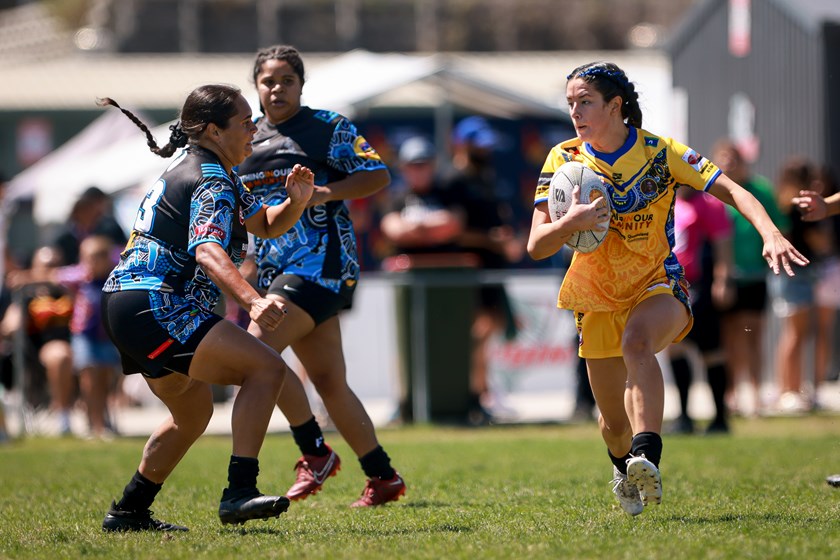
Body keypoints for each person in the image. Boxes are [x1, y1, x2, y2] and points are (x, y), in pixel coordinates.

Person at [526, 61, 807, 517]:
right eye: (571, 104)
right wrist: (570, 223)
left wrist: (771, 233)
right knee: (611, 424)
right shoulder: (564, 159)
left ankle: (647, 457)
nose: (575, 112)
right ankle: (625, 466)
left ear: (616, 106)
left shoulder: (662, 151)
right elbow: (536, 244)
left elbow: (734, 191)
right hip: (594, 293)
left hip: (657, 282)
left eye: (585, 102)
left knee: (637, 342)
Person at [96, 84, 316, 531]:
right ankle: (239, 493)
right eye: (245, 122)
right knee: (266, 369)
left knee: (192, 413)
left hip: (126, 302)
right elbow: (208, 251)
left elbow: (264, 224)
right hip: (157, 302)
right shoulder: (212, 178)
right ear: (214, 131)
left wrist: (295, 202)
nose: (254, 129)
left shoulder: (213, 172)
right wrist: (252, 301)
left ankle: (129, 510)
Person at [237, 45, 405, 507]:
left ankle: (314, 451)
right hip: (276, 272)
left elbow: (377, 176)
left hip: (324, 265)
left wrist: (320, 194)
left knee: (253, 351)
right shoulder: (245, 138)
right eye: (268, 81)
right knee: (329, 381)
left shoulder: (328, 127)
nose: (277, 88)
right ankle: (383, 476)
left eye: (286, 80)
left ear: (301, 85)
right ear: (256, 86)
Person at [442, 116, 522, 425]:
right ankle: (474, 397)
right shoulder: (453, 181)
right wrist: (490, 240)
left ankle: (484, 392)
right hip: (468, 271)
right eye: (479, 145)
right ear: (462, 145)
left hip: (492, 269)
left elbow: (499, 219)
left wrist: (506, 241)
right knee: (478, 332)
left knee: (491, 328)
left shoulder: (486, 177)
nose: (486, 151)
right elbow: (452, 230)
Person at [711, 140, 784, 416]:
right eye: (722, 159)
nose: (728, 164)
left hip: (754, 276)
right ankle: (730, 397)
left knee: (752, 335)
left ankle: (754, 396)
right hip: (726, 278)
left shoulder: (761, 190)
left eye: (732, 158)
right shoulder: (712, 194)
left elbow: (779, 225)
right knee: (729, 340)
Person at [666, 186, 733, 434]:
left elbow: (723, 245)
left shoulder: (710, 204)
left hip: (701, 285)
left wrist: (723, 280)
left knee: (711, 350)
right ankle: (684, 417)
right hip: (674, 285)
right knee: (674, 347)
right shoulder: (668, 202)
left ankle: (720, 419)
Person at [771, 158, 833, 412]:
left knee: (797, 334)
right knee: (795, 335)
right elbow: (820, 242)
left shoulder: (785, 204)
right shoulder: (799, 208)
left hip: (797, 273)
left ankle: (792, 390)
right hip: (796, 273)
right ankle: (788, 391)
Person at [50, 186, 127, 265]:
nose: (86, 212)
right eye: (81, 208)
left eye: (89, 207)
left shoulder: (111, 228)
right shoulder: (64, 238)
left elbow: (125, 251)